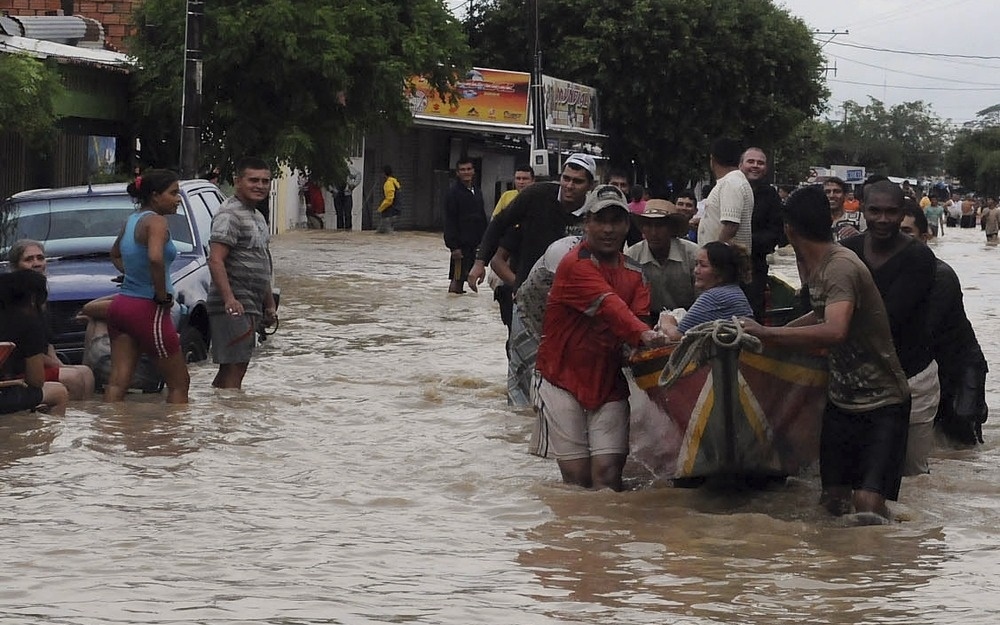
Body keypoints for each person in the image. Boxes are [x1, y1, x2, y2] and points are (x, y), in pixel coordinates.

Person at [741, 186, 910, 523]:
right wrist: (770, 335)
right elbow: (821, 314)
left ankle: (886, 558)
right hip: (841, 400)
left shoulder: (839, 267)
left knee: (866, 505)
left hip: (883, 402)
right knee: (832, 501)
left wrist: (768, 333)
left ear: (789, 229)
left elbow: (835, 330)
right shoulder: (819, 264)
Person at [534, 185, 667, 491]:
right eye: (600, 220)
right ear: (586, 224)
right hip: (560, 377)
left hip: (607, 381)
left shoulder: (636, 274)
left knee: (608, 478)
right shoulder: (573, 264)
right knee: (578, 479)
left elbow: (638, 321)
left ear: (626, 226)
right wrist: (645, 334)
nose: (608, 229)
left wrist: (651, 337)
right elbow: (613, 307)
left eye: (616, 221)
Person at [842, 181, 938, 476]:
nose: (883, 219)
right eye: (875, 211)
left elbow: (888, 316)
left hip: (911, 378)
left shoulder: (920, 257)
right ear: (862, 209)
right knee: (855, 474)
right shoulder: (848, 251)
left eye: (891, 212)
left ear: (901, 213)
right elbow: (821, 301)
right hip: (856, 378)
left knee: (912, 477)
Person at [900, 204, 988, 445]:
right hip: (928, 368)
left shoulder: (941, 275)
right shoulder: (893, 273)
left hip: (959, 367)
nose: (900, 238)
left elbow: (922, 332)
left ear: (924, 236)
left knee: (961, 443)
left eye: (907, 232)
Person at [104, 169, 191, 404]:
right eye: (173, 193)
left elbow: (115, 254)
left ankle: (111, 433)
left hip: (121, 306)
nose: (178, 199)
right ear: (155, 196)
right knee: (180, 385)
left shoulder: (132, 220)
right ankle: (176, 439)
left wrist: (134, 274)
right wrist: (161, 296)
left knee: (117, 382)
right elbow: (155, 257)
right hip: (148, 309)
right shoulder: (157, 221)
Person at [467, 153, 596, 293]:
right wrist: (480, 262)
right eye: (566, 178)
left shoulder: (595, 211)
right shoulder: (536, 196)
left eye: (577, 181)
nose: (569, 186)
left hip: (572, 293)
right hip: (528, 289)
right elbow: (499, 223)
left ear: (590, 185)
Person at [207, 157, 278, 390]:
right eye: (253, 180)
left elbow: (262, 262)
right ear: (238, 182)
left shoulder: (257, 216)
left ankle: (220, 415)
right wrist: (229, 299)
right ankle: (230, 420)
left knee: (234, 366)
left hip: (251, 303)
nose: (260, 186)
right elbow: (216, 259)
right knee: (235, 366)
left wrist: (269, 304)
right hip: (234, 303)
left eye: (265, 181)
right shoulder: (229, 214)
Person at [6, 239, 95, 399]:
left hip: (38, 361)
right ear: (14, 266)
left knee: (86, 372)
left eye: (40, 258)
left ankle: (83, 419)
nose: (36, 263)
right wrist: (59, 366)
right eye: (29, 259)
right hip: (19, 368)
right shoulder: (15, 301)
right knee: (74, 377)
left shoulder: (40, 298)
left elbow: (47, 344)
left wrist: (60, 364)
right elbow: (29, 348)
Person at [0, 270, 70, 416]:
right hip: (5, 395)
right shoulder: (29, 324)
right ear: (33, 299)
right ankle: (44, 438)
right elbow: (37, 381)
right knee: (59, 392)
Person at [659, 241, 753, 340]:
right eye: (696, 264)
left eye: (703, 266)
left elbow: (678, 336)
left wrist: (666, 321)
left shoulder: (714, 296)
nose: (696, 270)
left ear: (721, 273)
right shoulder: (734, 290)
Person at [625, 199, 698, 318]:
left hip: (689, 317)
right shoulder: (632, 256)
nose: (654, 233)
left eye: (660, 226)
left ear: (671, 228)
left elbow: (703, 296)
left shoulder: (692, 254)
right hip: (646, 318)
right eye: (648, 225)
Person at [740, 147, 785, 320]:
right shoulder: (728, 190)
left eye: (760, 163)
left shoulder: (771, 195)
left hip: (755, 267)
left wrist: (743, 243)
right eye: (750, 161)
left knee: (752, 314)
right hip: (724, 266)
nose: (755, 166)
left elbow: (775, 233)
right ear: (740, 165)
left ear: (766, 168)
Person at [698, 138, 753, 253]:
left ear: (712, 159)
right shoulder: (732, 181)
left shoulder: (731, 182)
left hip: (723, 262)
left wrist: (715, 255)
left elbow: (731, 225)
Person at [443, 157, 487, 294]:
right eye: (462, 170)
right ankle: (452, 309)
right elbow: (449, 220)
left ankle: (462, 311)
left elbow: (481, 216)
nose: (466, 172)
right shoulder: (453, 193)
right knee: (457, 278)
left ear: (473, 171)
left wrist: (484, 241)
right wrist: (453, 247)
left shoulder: (477, 191)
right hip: (460, 245)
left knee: (468, 275)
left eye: (468, 169)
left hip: (474, 243)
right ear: (457, 173)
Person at [826, 176, 865, 241]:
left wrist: (858, 236)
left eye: (837, 191)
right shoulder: (815, 221)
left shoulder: (860, 218)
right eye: (827, 192)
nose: (831, 195)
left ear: (845, 195)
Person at [333, 164, 361, 230]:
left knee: (347, 214)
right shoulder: (333, 170)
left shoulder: (348, 169)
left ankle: (348, 230)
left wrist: (353, 185)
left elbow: (358, 175)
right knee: (339, 214)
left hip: (347, 194)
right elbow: (327, 180)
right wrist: (332, 190)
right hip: (337, 194)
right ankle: (339, 230)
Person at [376, 165, 401, 234]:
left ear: (384, 173)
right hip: (396, 213)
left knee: (382, 234)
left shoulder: (388, 183)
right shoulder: (395, 182)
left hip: (389, 214)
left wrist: (380, 208)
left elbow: (389, 200)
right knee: (382, 233)